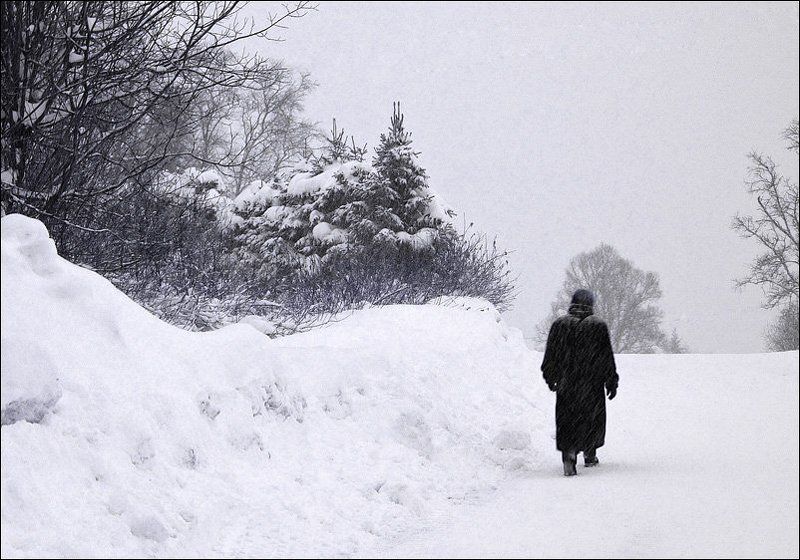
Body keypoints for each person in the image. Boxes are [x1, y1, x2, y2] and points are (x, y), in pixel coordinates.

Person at [541, 289, 619, 476]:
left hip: (567, 383)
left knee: (568, 419)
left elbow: (550, 356)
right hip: (591, 384)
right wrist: (611, 381)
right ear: (591, 304)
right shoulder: (597, 326)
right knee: (592, 419)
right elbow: (606, 357)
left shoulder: (559, 325)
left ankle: (569, 455)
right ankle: (590, 454)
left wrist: (550, 377)